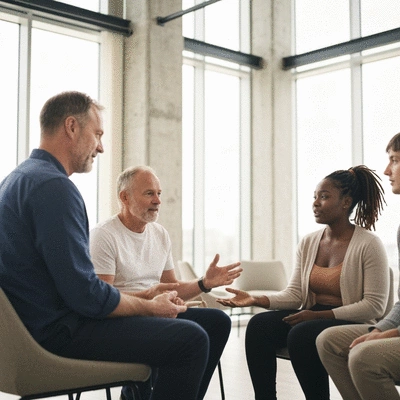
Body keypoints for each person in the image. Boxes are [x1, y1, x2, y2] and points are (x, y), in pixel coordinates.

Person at [0, 91, 221, 400]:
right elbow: (86, 297)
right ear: (72, 127)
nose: (100, 147)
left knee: (204, 326)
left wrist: (147, 296)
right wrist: (150, 306)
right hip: (57, 333)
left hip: (31, 330)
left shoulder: (16, 180)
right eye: (98, 134)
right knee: (190, 340)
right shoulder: (54, 187)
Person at [217, 165, 390, 400]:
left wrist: (319, 316)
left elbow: (374, 306)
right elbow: (296, 294)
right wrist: (255, 299)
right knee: (259, 326)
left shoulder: (369, 244)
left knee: (301, 334)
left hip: (350, 321)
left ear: (346, 202)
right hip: (312, 316)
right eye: (315, 197)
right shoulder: (309, 242)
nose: (316, 203)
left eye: (325, 197)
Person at [89, 165, 242, 400]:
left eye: (159, 193)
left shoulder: (159, 233)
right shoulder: (104, 235)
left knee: (218, 321)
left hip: (158, 313)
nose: (158, 200)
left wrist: (204, 283)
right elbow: (103, 297)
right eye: (149, 193)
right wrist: (149, 297)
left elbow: (171, 287)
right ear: (124, 197)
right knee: (190, 335)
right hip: (124, 319)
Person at [316, 133, 400, 400]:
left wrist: (389, 332)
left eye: (395, 160)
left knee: (364, 357)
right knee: (328, 341)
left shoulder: (368, 243)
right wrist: (379, 331)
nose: (387, 170)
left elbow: (373, 305)